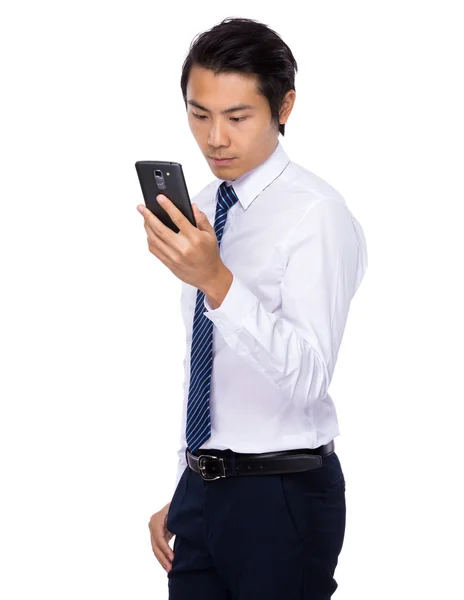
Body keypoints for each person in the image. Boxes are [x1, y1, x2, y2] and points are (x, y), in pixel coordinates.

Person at [141, 16, 368, 600]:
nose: (215, 137)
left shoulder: (317, 215)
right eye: (199, 114)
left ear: (283, 106)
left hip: (283, 497)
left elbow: (310, 378)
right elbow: (207, 366)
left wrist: (217, 282)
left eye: (237, 117)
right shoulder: (201, 204)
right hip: (203, 491)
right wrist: (187, 482)